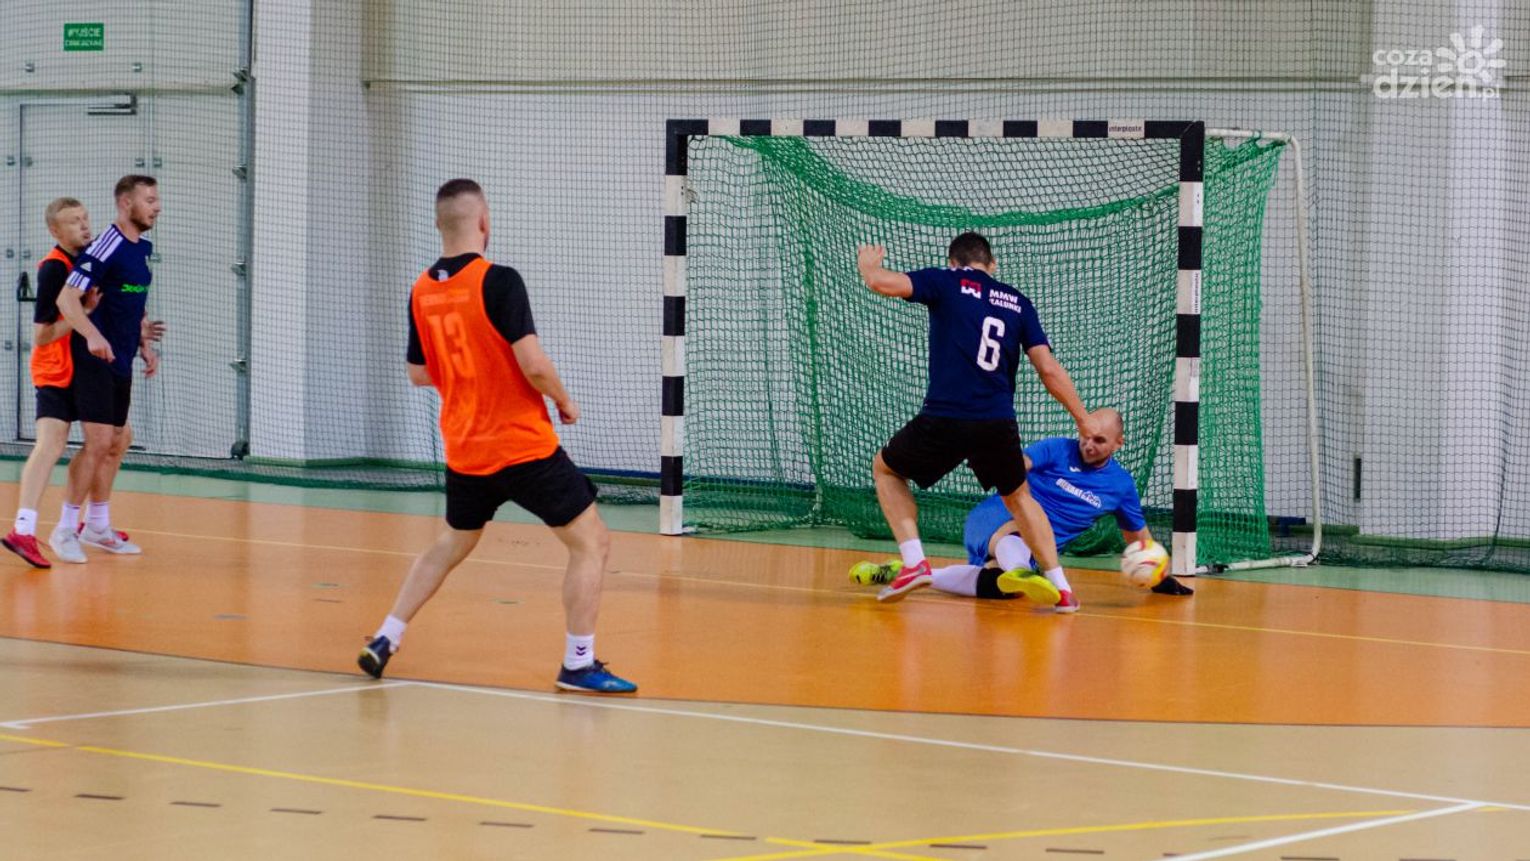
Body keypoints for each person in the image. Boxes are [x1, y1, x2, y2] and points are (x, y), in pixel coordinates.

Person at [357, 178, 635, 694]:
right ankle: (578, 663)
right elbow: (533, 364)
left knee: (453, 542)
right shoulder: (499, 281)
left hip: (465, 448)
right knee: (591, 542)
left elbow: (418, 373)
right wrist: (564, 401)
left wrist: (468, 376)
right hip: (520, 445)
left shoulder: (421, 291)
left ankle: (386, 636)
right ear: (484, 221)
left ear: (439, 224)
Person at [856, 232, 1105, 606]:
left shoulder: (947, 280)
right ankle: (1062, 589)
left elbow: (882, 283)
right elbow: (1049, 369)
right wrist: (1083, 418)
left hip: (946, 415)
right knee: (1019, 498)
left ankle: (915, 562)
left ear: (953, 262)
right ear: (992, 265)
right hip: (996, 422)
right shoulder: (1018, 301)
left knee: (886, 469)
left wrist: (869, 267)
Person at [851, 409, 1194, 612]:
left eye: (1100, 440)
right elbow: (1021, 463)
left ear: (1118, 444)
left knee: (999, 587)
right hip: (995, 520)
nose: (1088, 444)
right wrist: (996, 461)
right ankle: (1020, 570)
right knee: (1018, 534)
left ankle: (907, 573)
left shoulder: (1120, 486)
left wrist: (1159, 577)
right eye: (1086, 435)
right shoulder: (1057, 449)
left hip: (1035, 550)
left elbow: (1138, 537)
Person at [52, 175, 163, 563]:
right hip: (93, 359)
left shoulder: (141, 249)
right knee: (98, 443)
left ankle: (97, 527)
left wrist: (143, 342)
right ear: (126, 203)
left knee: (116, 441)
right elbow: (67, 299)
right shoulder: (106, 245)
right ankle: (64, 529)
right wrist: (92, 336)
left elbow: (131, 298)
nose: (157, 207)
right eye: (149, 200)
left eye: (157, 200)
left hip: (122, 358)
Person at [3, 198, 100, 567]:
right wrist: (82, 314)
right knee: (50, 445)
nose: (84, 225)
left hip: (84, 369)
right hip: (55, 370)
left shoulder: (89, 261)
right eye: (73, 221)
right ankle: (23, 529)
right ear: (55, 231)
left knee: (113, 438)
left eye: (85, 218)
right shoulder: (54, 270)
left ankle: (93, 522)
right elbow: (42, 335)